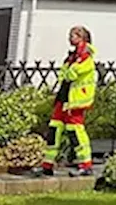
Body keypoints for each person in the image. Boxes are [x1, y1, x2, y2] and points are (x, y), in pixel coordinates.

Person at [36, 26, 96, 177]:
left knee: (75, 132)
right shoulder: (72, 55)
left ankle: (85, 165)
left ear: (82, 37)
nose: (70, 38)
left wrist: (68, 73)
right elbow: (63, 74)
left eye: (73, 36)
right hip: (63, 99)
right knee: (54, 131)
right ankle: (47, 165)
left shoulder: (86, 56)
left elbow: (72, 74)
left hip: (75, 101)